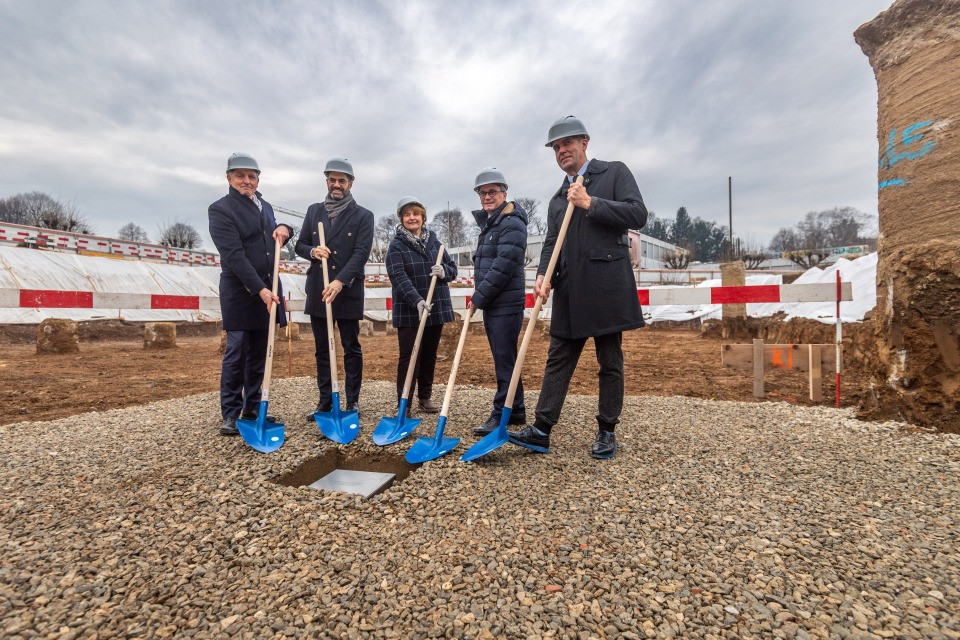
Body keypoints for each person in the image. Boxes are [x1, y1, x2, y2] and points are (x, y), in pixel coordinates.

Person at [509, 116, 647, 459]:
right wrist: (543, 274)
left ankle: (607, 431)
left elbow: (637, 214)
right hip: (570, 289)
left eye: (567, 143)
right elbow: (551, 243)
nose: (561, 151)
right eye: (556, 147)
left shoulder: (614, 173)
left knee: (609, 360)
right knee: (558, 358)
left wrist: (591, 203)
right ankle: (542, 429)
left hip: (606, 285)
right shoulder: (558, 199)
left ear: (584, 142)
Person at [208, 152, 292, 436]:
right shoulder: (220, 209)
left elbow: (272, 238)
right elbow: (233, 255)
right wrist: (259, 289)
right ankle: (231, 413)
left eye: (251, 176)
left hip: (269, 288)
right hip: (241, 292)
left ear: (258, 179)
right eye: (240, 176)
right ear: (229, 178)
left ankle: (253, 408)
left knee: (260, 351)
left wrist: (286, 228)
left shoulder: (265, 207)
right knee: (237, 351)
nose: (246, 181)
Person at [295, 157, 374, 418]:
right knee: (322, 348)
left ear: (351, 183)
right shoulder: (314, 211)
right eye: (332, 180)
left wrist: (340, 281)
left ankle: (352, 401)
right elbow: (299, 245)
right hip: (320, 288)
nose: (336, 184)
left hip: (347, 289)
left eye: (342, 180)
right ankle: (325, 401)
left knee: (351, 346)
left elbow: (361, 252)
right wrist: (312, 251)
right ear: (327, 181)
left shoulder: (363, 215)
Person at [469, 167, 529, 436]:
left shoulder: (511, 223)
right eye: (482, 193)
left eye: (492, 191)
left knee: (505, 359)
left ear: (504, 193)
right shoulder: (492, 223)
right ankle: (515, 409)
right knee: (505, 358)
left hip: (505, 304)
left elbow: (503, 265)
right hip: (495, 303)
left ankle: (500, 412)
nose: (487, 197)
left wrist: (478, 297)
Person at [385, 196, 458, 413]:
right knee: (409, 356)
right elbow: (398, 276)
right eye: (407, 214)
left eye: (416, 214)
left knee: (429, 354)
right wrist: (416, 300)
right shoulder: (396, 246)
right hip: (410, 309)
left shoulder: (435, 243)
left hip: (435, 306)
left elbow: (453, 269)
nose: (412, 218)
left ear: (422, 217)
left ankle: (425, 398)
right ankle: (404, 403)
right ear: (401, 218)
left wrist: (444, 272)